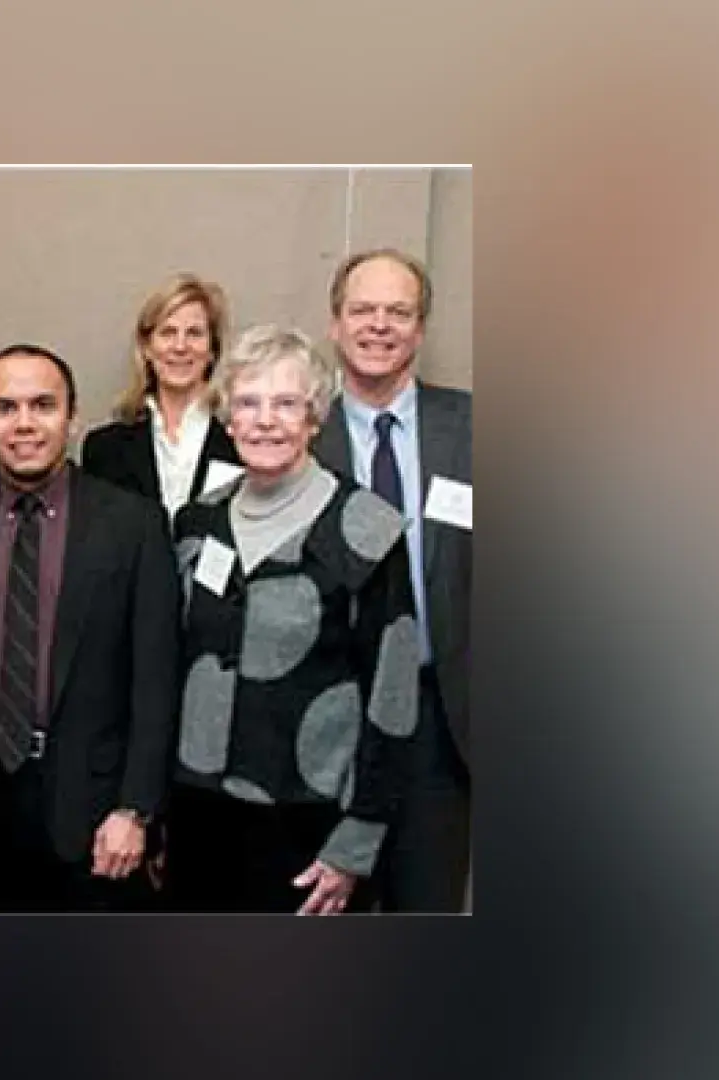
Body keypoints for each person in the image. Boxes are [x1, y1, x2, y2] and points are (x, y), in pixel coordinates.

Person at [0, 344, 181, 912]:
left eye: (43, 405)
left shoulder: (133, 526)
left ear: (72, 418)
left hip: (97, 817)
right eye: (5, 408)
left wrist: (135, 809)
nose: (25, 424)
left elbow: (156, 682)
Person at [165, 325, 418, 914]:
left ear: (314, 418)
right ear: (228, 419)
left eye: (286, 404)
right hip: (199, 812)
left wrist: (356, 840)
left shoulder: (365, 529)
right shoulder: (197, 522)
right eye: (248, 403)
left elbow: (393, 696)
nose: (265, 421)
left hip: (310, 823)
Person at [313, 249, 472, 913]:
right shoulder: (294, 427)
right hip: (327, 723)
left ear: (421, 328)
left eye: (398, 312)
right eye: (363, 310)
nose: (380, 325)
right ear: (335, 323)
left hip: (441, 722)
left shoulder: (474, 426)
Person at [83, 273, 243, 520]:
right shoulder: (104, 448)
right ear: (147, 348)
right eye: (167, 333)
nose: (180, 347)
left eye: (194, 333)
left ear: (213, 350)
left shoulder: (243, 443)